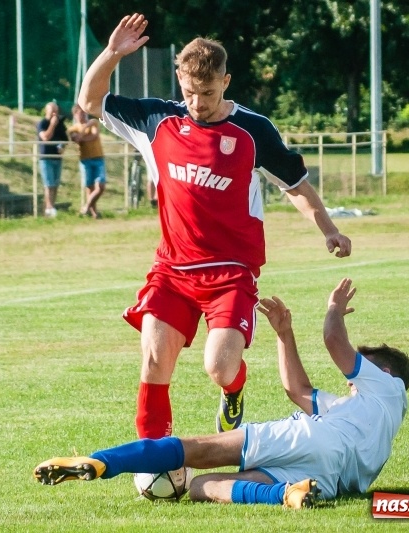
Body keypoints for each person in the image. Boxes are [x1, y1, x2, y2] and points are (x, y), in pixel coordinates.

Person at [76, 13, 353, 440]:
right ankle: (155, 460)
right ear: (179, 80)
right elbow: (90, 101)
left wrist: (329, 229)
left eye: (207, 93)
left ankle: (234, 389)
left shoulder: (253, 130)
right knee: (153, 361)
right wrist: (112, 53)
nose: (198, 102)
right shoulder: (157, 122)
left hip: (231, 273)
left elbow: (295, 185)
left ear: (225, 82)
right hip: (172, 271)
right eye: (190, 92)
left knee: (220, 367)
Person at [34, 278, 409, 509]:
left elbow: (334, 340)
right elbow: (298, 390)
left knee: (197, 449)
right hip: (329, 478)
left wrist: (333, 310)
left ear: (384, 372)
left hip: (312, 438)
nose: (350, 378)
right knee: (201, 486)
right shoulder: (365, 413)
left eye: (361, 368)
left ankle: (102, 462)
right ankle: (286, 495)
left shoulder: (388, 386)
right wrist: (285, 335)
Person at [67, 104, 107, 218]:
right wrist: (85, 130)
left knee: (101, 186)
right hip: (85, 159)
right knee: (90, 187)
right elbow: (76, 138)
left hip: (98, 157)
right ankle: (94, 213)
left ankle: (85, 207)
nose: (83, 115)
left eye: (84, 113)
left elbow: (94, 135)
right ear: (75, 115)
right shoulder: (73, 128)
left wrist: (83, 132)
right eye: (80, 113)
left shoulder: (93, 123)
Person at [37, 101, 69, 217]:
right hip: (46, 157)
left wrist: (62, 147)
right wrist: (52, 125)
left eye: (56, 111)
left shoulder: (60, 124)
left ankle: (52, 207)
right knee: (49, 184)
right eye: (52, 112)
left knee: (55, 185)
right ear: (47, 111)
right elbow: (45, 137)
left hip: (57, 158)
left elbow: (65, 139)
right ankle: (49, 208)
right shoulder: (42, 123)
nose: (55, 114)